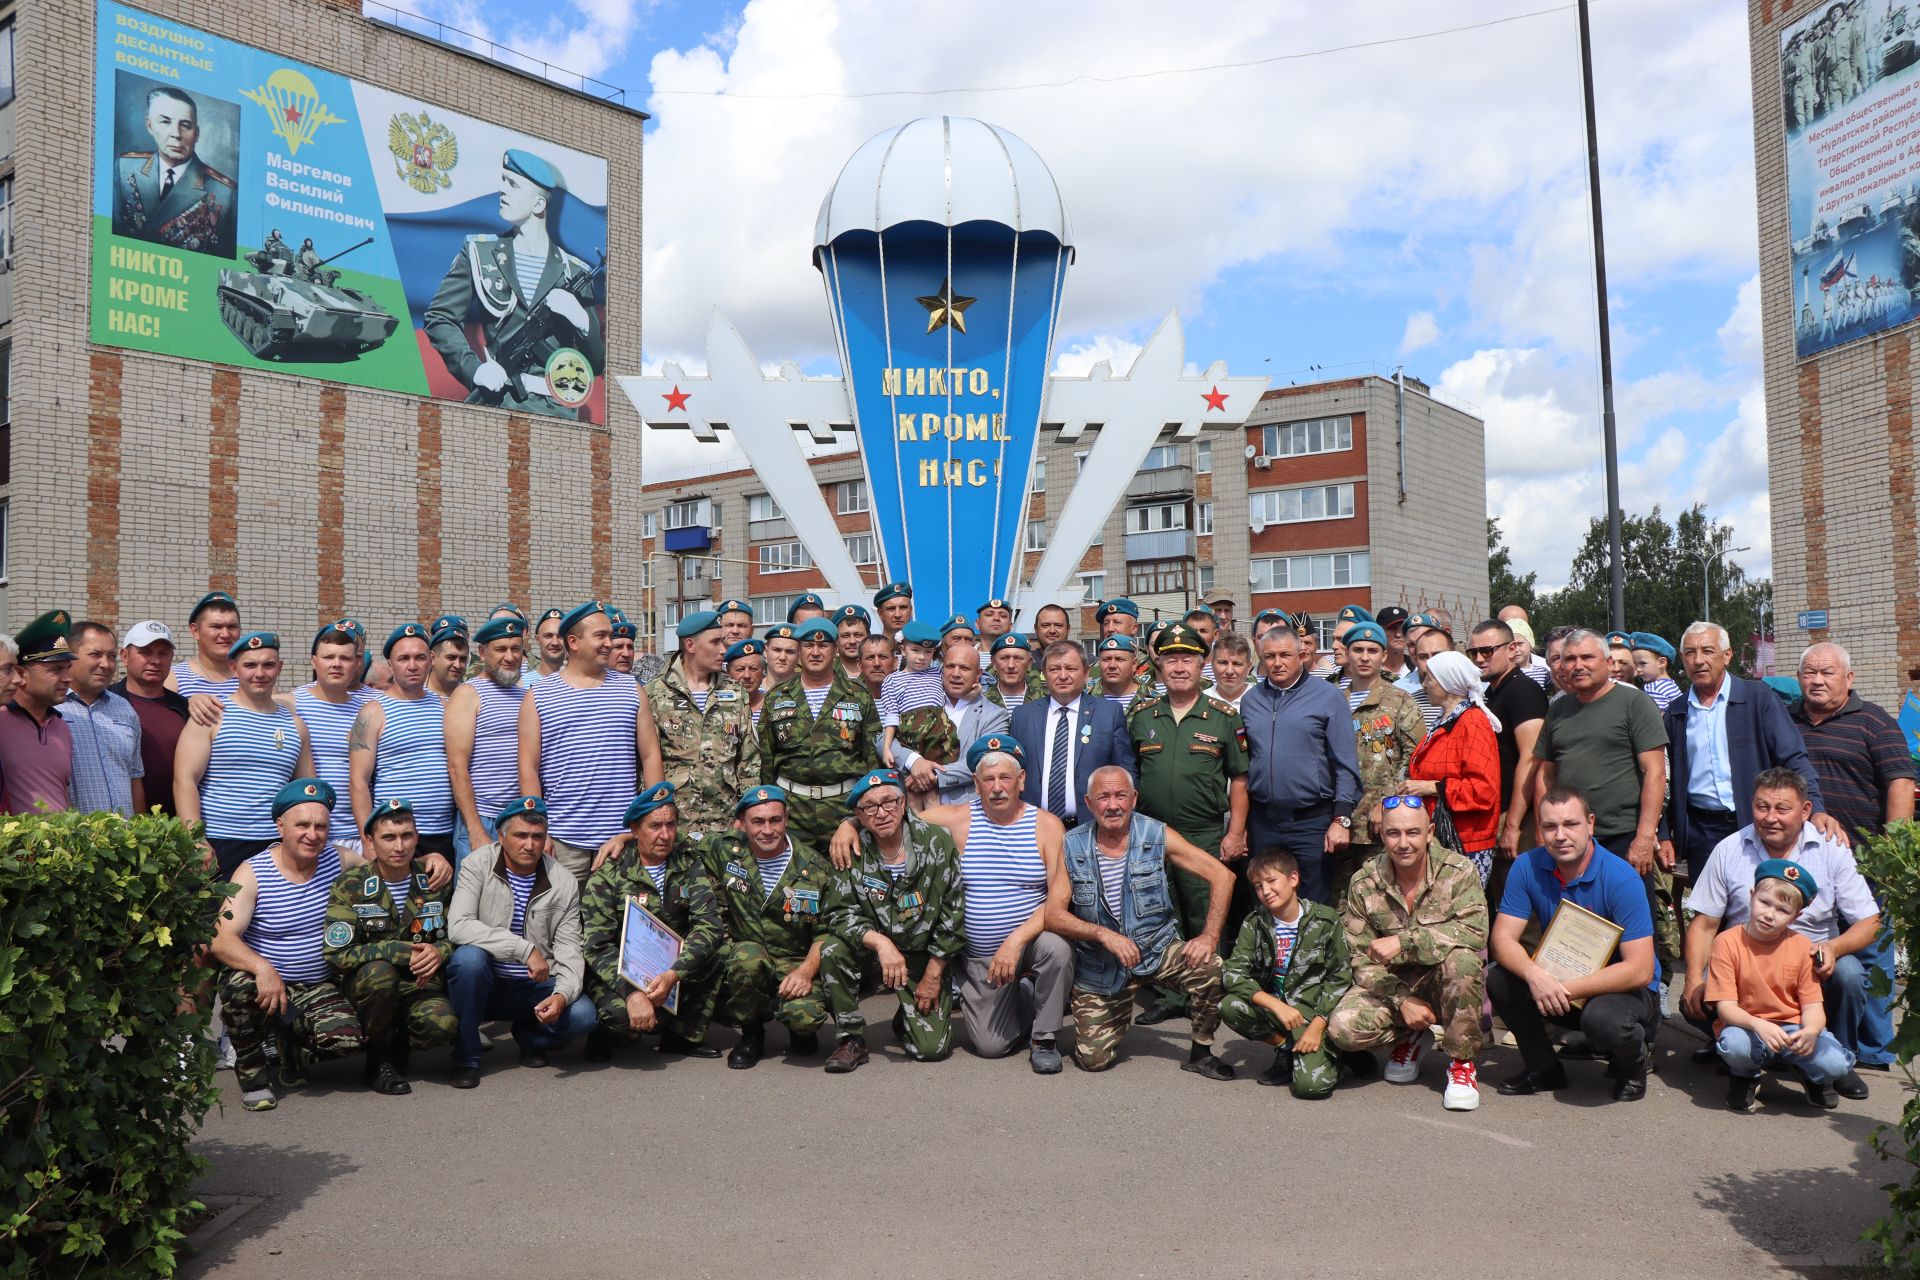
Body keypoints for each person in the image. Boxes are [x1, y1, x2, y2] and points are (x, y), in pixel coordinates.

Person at [1682, 768, 1881, 1101]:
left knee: (1849, 973)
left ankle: (1838, 1062)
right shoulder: (1730, 849)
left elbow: (1870, 921)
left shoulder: (1831, 849)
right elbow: (1704, 923)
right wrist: (1691, 980)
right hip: (1744, 959)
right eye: (1762, 807)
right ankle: (1743, 1056)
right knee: (1703, 986)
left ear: (1805, 811)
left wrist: (1833, 947)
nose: (1770, 817)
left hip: (1810, 959)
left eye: (1782, 809)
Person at [1045, 765, 1236, 1078]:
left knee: (1210, 967)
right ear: (1089, 803)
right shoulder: (1072, 844)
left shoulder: (1156, 833)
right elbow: (1053, 915)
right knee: (1093, 1060)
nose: (1113, 804)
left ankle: (1201, 1051)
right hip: (1102, 966)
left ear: (1134, 798)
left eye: (1121, 795)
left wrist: (1209, 937)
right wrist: (1103, 935)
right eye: (1103, 797)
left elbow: (1222, 876)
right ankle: (1115, 1015)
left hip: (1157, 949)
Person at [1486, 788, 1661, 1102]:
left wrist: (1566, 989)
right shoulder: (1526, 866)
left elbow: (1641, 970)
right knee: (1498, 978)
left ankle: (1633, 1063)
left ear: (1591, 824)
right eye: (1550, 826)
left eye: (1571, 824)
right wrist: (1537, 978)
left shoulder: (1622, 878)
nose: (1560, 835)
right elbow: (1501, 940)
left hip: (1624, 991)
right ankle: (1544, 1067)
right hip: (1558, 980)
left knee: (1603, 1021)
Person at [1791, 640, 1913, 1076]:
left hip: (1864, 860)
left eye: (1827, 672)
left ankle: (1874, 1049)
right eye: (1810, 672)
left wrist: (1891, 847)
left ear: (1849, 678)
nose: (1818, 680)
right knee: (1818, 955)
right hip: (1804, 863)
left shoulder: (1872, 721)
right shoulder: (1788, 719)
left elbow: (1899, 781)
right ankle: (1818, 1035)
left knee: (1871, 953)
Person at [212, 779, 368, 1111]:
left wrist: (429, 862)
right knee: (237, 990)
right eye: (302, 825)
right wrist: (261, 967)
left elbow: (388, 869)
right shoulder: (252, 872)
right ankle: (254, 1077)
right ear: (280, 825)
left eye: (321, 826)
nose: (313, 834)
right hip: (264, 984)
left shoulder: (339, 860)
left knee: (346, 1041)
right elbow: (221, 938)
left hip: (316, 984)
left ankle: (289, 1049)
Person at [1327, 795, 1487, 1112]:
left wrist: (1404, 942)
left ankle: (1461, 1064)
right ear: (1381, 834)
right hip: (1395, 983)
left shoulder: (1457, 871)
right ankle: (1410, 1038)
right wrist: (1402, 999)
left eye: (1412, 833)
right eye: (1393, 833)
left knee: (1464, 961)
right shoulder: (1364, 882)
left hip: (1446, 979)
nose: (1403, 843)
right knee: (1342, 1028)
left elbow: (1475, 930)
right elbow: (1359, 959)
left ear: (1429, 832)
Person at [423, 149, 604, 418]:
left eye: (513, 184)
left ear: (539, 205)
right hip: (500, 401)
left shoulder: (573, 271)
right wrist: (475, 369)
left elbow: (595, 364)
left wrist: (580, 319)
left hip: (557, 412)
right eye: (503, 180)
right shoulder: (480, 253)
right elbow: (439, 317)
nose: (502, 189)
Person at [1124, 623, 1248, 1012]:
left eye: (1188, 659)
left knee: (1204, 911)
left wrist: (1237, 832)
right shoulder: (1142, 715)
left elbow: (1240, 778)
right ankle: (1170, 994)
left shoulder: (1223, 716)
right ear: (1159, 664)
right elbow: (1131, 773)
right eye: (1172, 659)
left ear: (1202, 664)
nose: (1179, 667)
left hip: (1204, 832)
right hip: (1153, 833)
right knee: (1161, 911)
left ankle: (1208, 991)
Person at [1659, 621, 1840, 883]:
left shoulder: (1758, 699)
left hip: (1757, 824)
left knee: (1764, 906)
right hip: (1702, 833)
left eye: (1708, 651)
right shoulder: (1677, 712)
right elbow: (1665, 780)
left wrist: (1817, 808)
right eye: (1690, 652)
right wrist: (1664, 833)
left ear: (1727, 655)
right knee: (1711, 915)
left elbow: (1793, 758)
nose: (1698, 660)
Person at [444, 797, 598, 1087]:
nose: (529, 845)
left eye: (537, 836)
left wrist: (562, 995)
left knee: (583, 1015)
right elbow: (459, 925)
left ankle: (530, 1038)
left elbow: (569, 949)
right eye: (520, 835)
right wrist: (524, 949)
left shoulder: (563, 881)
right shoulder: (477, 864)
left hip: (534, 986)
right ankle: (467, 1058)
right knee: (468, 960)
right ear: (501, 837)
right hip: (488, 981)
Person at [820, 769, 968, 1069]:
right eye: (870, 807)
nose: (882, 813)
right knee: (832, 949)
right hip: (873, 954)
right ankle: (851, 1039)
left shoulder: (936, 841)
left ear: (903, 804)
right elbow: (839, 913)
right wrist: (880, 943)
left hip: (922, 955)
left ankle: (907, 1015)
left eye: (889, 802)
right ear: (859, 816)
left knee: (931, 1050)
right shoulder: (849, 849)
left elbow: (953, 913)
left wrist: (933, 975)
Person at [703, 785, 854, 1070]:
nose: (767, 830)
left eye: (775, 820)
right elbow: (671, 840)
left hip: (796, 961)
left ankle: (797, 1029)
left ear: (787, 819)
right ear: (741, 824)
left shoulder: (814, 867)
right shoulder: (724, 849)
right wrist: (625, 837)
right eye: (757, 821)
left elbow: (825, 931)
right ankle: (751, 1034)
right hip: (751, 956)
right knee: (746, 958)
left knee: (806, 1019)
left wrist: (805, 972)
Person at [580, 783, 727, 1063]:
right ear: (634, 830)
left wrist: (674, 974)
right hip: (622, 973)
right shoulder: (608, 875)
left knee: (720, 953)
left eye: (671, 825)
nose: (665, 835)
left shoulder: (688, 861)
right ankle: (606, 1033)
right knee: (620, 1015)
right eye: (655, 826)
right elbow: (597, 948)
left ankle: (682, 1036)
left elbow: (709, 926)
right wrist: (632, 993)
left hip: (669, 968)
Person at [322, 799, 457, 1096]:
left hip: (417, 985)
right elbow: (337, 953)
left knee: (442, 1025)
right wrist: (398, 950)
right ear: (369, 841)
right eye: (389, 837)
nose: (399, 846)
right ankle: (377, 1059)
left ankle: (399, 1040)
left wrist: (439, 952)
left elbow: (456, 935)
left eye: (407, 836)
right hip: (368, 988)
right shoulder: (351, 885)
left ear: (417, 838)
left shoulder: (435, 882)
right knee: (380, 971)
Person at [520, 602, 659, 882]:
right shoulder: (539, 696)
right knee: (564, 921)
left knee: (624, 921)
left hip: (622, 837)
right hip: (563, 841)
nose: (610, 643)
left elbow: (651, 756)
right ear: (573, 642)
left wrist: (651, 819)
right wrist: (540, 829)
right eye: (601, 636)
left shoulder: (631, 689)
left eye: (610, 635)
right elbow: (528, 768)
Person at [1710, 858, 1857, 1112]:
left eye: (1782, 910)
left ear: (1796, 916)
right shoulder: (1726, 942)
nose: (1769, 914)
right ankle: (1745, 1075)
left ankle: (1814, 1077)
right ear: (1752, 895)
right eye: (1764, 902)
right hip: (1747, 1026)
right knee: (1734, 1045)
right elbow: (1725, 1008)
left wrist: (1810, 1031)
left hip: (1792, 1029)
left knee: (1835, 1064)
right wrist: (1758, 1024)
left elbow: (1812, 1006)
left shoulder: (1801, 947)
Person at [1530, 628, 1668, 892]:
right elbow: (1545, 775)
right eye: (1569, 659)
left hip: (1622, 836)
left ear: (1607, 663)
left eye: (1587, 657)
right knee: (1577, 923)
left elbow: (1655, 773)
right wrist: (1542, 829)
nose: (1577, 665)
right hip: (1569, 837)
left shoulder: (1635, 703)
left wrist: (1644, 837)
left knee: (1630, 922)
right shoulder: (1559, 709)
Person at [1240, 625, 1362, 906]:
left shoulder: (1328, 697)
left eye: (1285, 655)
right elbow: (1246, 764)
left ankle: (1314, 952)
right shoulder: (1251, 701)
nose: (1277, 663)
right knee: (1266, 899)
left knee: (1314, 903)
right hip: (1264, 821)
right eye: (1269, 656)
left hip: (1311, 821)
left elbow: (1345, 764)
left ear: (1302, 655)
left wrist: (1341, 819)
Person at [176, 632, 314, 875]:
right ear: (234, 668)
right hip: (220, 841)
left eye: (268, 665)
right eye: (249, 665)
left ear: (279, 668)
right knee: (216, 913)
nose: (259, 673)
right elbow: (185, 780)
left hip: (275, 843)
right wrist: (195, 839)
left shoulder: (296, 725)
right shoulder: (211, 716)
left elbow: (305, 791)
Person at [1219, 848, 1351, 1096]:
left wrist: (1318, 1025)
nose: (1265, 891)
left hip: (1313, 1014)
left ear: (1293, 879)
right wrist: (1275, 1004)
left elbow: (1340, 979)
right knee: (1230, 1005)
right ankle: (1286, 1048)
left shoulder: (1325, 920)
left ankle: (1338, 1058)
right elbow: (1232, 972)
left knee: (1310, 1087)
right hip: (1280, 1011)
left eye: (1271, 881)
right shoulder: (1255, 922)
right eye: (1258, 886)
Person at [757, 617, 881, 850]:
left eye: (823, 645)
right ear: (799, 651)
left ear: (834, 650)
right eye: (808, 646)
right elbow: (766, 761)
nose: (815, 652)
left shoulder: (858, 696)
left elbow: (872, 759)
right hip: (792, 812)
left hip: (844, 810)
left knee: (844, 881)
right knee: (796, 884)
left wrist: (859, 816)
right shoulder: (776, 697)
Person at [641, 610, 757, 841]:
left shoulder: (735, 693)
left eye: (723, 642)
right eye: (715, 642)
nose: (724, 650)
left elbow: (749, 762)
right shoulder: (654, 694)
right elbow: (640, 764)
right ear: (691, 645)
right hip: (673, 826)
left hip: (725, 824)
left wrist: (747, 811)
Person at [350, 624, 456, 858]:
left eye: (419, 658)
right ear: (391, 664)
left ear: (431, 659)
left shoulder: (446, 707)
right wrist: (368, 839)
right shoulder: (372, 713)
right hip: (393, 834)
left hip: (442, 832)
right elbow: (358, 781)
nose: (412, 665)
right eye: (403, 658)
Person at [1339, 621, 1425, 905]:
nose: (1365, 657)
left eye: (1372, 650)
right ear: (1347, 653)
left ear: (1383, 656)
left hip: (1378, 824)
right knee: (1339, 899)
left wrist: (1387, 802)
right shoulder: (1333, 699)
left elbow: (1415, 757)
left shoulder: (1400, 700)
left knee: (1380, 899)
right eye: (1358, 650)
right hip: (1337, 820)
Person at [1011, 641, 1137, 830]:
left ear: (1086, 673)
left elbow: (1126, 771)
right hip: (1033, 827)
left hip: (1093, 827)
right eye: (1054, 669)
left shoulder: (1109, 713)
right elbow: (1014, 772)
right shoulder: (1023, 716)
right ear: (1044, 673)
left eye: (1071, 668)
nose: (1063, 676)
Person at [1403, 651, 1503, 885]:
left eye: (1429, 678)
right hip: (1444, 837)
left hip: (1464, 842)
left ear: (1447, 682)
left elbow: (1483, 790)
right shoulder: (1446, 719)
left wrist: (1432, 787)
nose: (1424, 683)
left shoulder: (1472, 722)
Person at [1467, 619, 1551, 884]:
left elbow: (1531, 758)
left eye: (1488, 651)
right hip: (1496, 814)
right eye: (1474, 653)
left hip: (1519, 818)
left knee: (1521, 907)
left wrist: (1513, 824)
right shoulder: (1493, 691)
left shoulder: (1522, 691)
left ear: (1512, 648)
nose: (1480, 659)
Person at [111, 86, 236, 256]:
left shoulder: (224, 193)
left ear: (197, 134)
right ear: (149, 125)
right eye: (165, 122)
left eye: (185, 125)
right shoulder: (125, 168)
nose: (176, 134)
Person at [445, 615, 529, 865]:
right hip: (483, 818)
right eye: (500, 649)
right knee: (476, 901)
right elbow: (457, 768)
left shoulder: (526, 695)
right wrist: (475, 829)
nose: (510, 656)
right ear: (482, 652)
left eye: (516, 649)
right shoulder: (468, 694)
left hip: (520, 819)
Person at [287, 622, 374, 856]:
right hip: (311, 834)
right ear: (314, 661)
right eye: (328, 657)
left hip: (360, 834)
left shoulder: (372, 708)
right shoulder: (291, 703)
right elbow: (244, 701)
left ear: (357, 664)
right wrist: (195, 700)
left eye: (345, 658)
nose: (336, 664)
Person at [889, 643, 1008, 808]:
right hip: (912, 810)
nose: (956, 674)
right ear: (941, 669)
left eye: (964, 668)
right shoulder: (920, 699)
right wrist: (913, 761)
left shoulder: (994, 715)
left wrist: (931, 776)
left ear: (978, 674)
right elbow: (883, 740)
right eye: (950, 666)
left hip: (965, 812)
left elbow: (985, 761)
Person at [57, 620, 145, 816]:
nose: (105, 664)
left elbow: (134, 776)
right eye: (95, 655)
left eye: (111, 656)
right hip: (77, 841)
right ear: (69, 656)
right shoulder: (52, 708)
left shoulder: (124, 708)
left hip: (125, 839)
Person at [0, 612, 77, 815]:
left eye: (68, 668)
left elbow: (60, 793)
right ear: (22, 673)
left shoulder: (61, 727)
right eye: (56, 669)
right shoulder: (2, 719)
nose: (68, 678)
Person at [111, 620, 189, 816]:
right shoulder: (104, 704)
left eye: (163, 653)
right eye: (145, 652)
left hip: (177, 825)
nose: (155, 660)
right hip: (121, 825)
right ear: (125, 656)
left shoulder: (184, 708)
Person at [169, 591, 241, 699]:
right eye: (216, 626)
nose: (225, 634)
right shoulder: (175, 678)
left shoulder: (253, 675)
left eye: (232, 627)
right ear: (195, 631)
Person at [985, 633, 1042, 711]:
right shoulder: (981, 702)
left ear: (1029, 663)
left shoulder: (1044, 701)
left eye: (1018, 658)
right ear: (994, 663)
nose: (1011, 665)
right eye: (1005, 658)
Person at [1630, 633, 1683, 710]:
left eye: (1643, 663)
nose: (1638, 669)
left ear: (1662, 662)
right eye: (1635, 664)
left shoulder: (1653, 689)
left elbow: (1656, 718)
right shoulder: (1670, 685)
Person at [1092, 635, 1143, 710]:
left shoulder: (1152, 699)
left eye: (1119, 659)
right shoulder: (1084, 698)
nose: (1112, 665)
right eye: (1106, 659)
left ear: (1134, 664)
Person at [724, 639, 767, 725]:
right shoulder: (718, 704)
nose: (747, 675)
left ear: (763, 671)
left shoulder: (772, 703)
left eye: (753, 669)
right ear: (728, 672)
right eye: (740, 669)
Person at [426, 616, 470, 700]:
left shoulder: (471, 697)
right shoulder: (414, 695)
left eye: (463, 659)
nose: (457, 665)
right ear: (432, 658)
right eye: (451, 657)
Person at [1209, 632, 1254, 709]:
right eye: (1223, 663)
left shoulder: (1262, 700)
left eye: (1237, 664)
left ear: (1248, 667)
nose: (1229, 671)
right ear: (1212, 665)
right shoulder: (1200, 702)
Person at [526, 608, 568, 684]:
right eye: (548, 636)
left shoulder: (579, 682)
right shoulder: (523, 684)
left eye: (560, 636)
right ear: (537, 639)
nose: (555, 643)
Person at [832, 604, 872, 680]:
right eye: (846, 635)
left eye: (858, 635)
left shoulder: (879, 672)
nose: (852, 641)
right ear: (836, 640)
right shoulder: (825, 673)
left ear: (868, 637)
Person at [858, 635, 896, 704]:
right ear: (859, 665)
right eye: (870, 657)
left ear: (895, 663)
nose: (877, 663)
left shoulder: (909, 697)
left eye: (883, 657)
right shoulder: (848, 700)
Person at [763, 622, 801, 690]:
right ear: (766, 651)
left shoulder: (807, 691)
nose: (782, 657)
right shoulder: (753, 691)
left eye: (790, 652)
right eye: (777, 650)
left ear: (798, 655)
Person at [606, 608, 638, 676]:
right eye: (618, 647)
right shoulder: (587, 685)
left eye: (630, 647)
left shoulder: (641, 685)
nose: (626, 654)